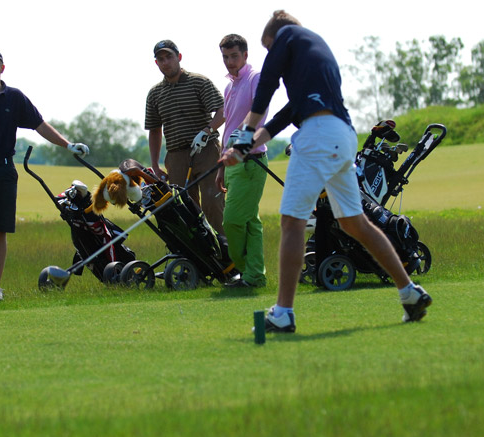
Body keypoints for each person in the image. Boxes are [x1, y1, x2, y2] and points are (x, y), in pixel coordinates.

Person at [221, 11, 432, 332]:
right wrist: (246, 147)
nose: (269, 53)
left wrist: (244, 137)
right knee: (354, 222)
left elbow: (264, 88)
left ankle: (283, 313)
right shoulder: (313, 55)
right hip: (342, 136)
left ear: (276, 37)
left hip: (318, 136)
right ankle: (410, 293)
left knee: (291, 222)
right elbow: (287, 113)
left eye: (267, 47)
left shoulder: (287, 35)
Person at [0, 47, 89, 302]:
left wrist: (67, 145)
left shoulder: (14, 98)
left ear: (2, 68)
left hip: (4, 170)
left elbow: (40, 125)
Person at [145, 40, 226, 236]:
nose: (166, 63)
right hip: (176, 155)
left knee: (212, 202)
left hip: (206, 150)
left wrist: (206, 131)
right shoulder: (155, 94)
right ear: (156, 63)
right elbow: (154, 130)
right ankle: (199, 258)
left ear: (179, 57)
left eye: (169, 57)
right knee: (184, 208)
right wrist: (155, 165)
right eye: (161, 59)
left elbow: (223, 111)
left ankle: (227, 253)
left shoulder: (199, 82)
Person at [215, 34, 269, 288]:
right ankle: (253, 275)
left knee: (233, 221)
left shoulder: (254, 78)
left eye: (234, 56)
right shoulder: (229, 86)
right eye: (225, 57)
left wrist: (242, 142)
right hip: (231, 163)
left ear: (245, 55)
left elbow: (260, 110)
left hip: (251, 160)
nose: (229, 61)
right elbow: (228, 128)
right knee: (249, 222)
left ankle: (248, 272)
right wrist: (220, 166)